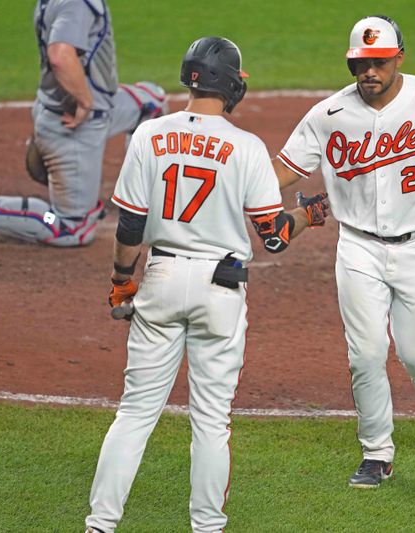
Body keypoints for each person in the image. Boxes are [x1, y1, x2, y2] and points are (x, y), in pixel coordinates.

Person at [84, 37, 330, 533]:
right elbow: (275, 239)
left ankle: (100, 525)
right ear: (233, 84)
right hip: (221, 289)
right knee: (211, 422)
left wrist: (119, 281)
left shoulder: (149, 136)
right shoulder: (246, 147)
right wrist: (307, 214)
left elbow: (130, 228)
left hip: (161, 278)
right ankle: (207, 528)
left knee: (133, 414)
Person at [273, 15, 415, 488]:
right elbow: (282, 171)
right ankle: (377, 452)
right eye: (360, 63)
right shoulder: (328, 115)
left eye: (378, 62)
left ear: (398, 58)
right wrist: (241, 188)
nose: (368, 71)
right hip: (357, 249)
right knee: (366, 353)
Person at [0, 0, 168, 247]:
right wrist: (85, 101)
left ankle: (142, 196)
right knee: (73, 228)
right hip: (73, 125)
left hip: (100, 109)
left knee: (151, 104)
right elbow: (60, 56)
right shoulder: (77, 4)